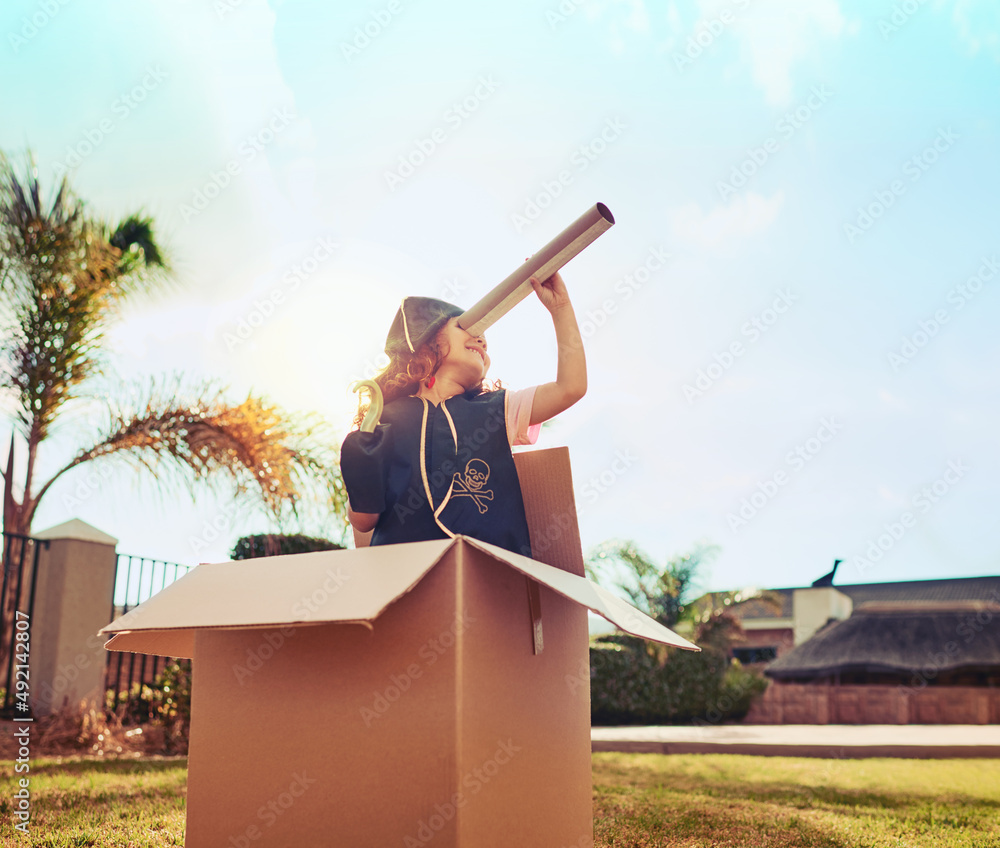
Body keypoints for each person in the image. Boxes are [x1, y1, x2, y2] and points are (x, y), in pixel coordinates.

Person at [340, 271, 586, 555]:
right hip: (404, 574)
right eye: (466, 327)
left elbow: (571, 388)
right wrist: (361, 465)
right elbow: (363, 521)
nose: (482, 339)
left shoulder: (499, 408)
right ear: (425, 344)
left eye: (484, 338)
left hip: (490, 574)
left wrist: (561, 308)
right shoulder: (384, 422)